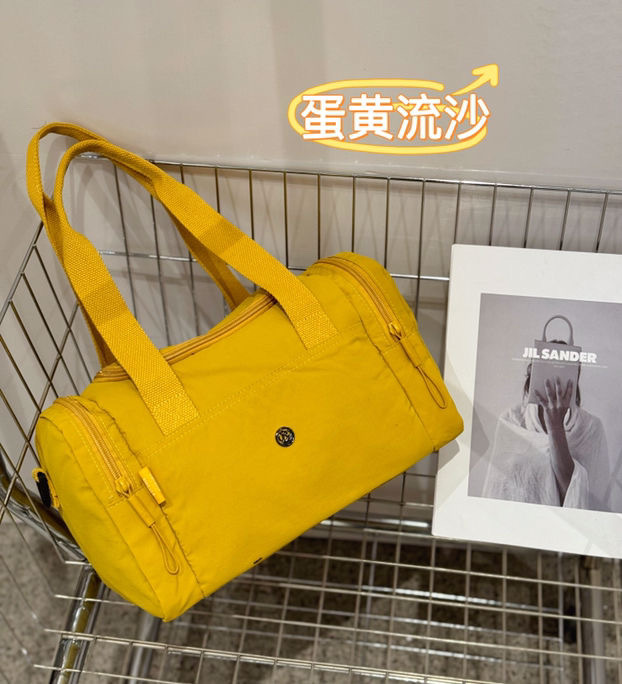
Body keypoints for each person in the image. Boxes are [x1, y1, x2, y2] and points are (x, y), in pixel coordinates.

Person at [482, 354, 609, 509]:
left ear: (574, 376)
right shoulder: (511, 420)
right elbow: (499, 489)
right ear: (533, 372)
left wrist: (555, 427)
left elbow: (579, 497)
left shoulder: (589, 427)